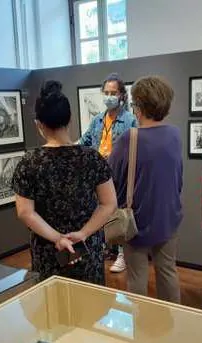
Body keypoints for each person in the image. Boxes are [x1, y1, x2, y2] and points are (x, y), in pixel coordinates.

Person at [12, 80, 117, 285]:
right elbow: (109, 203)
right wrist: (83, 233)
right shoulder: (91, 158)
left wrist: (58, 238)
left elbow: (25, 212)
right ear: (69, 120)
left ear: (39, 124)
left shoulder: (29, 162)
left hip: (48, 249)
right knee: (90, 305)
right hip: (87, 246)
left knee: (52, 307)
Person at [108, 76, 183, 303]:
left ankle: (141, 328)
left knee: (137, 278)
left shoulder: (128, 139)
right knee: (168, 271)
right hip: (168, 217)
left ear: (138, 106)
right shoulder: (174, 135)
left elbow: (111, 180)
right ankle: (171, 322)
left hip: (135, 222)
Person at [80, 73, 137, 273]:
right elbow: (85, 141)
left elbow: (136, 148)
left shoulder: (130, 120)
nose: (109, 96)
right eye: (106, 92)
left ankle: (122, 254)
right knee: (101, 210)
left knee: (119, 212)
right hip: (99, 173)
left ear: (122, 95)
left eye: (113, 92)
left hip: (119, 173)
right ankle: (105, 248)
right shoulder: (97, 120)